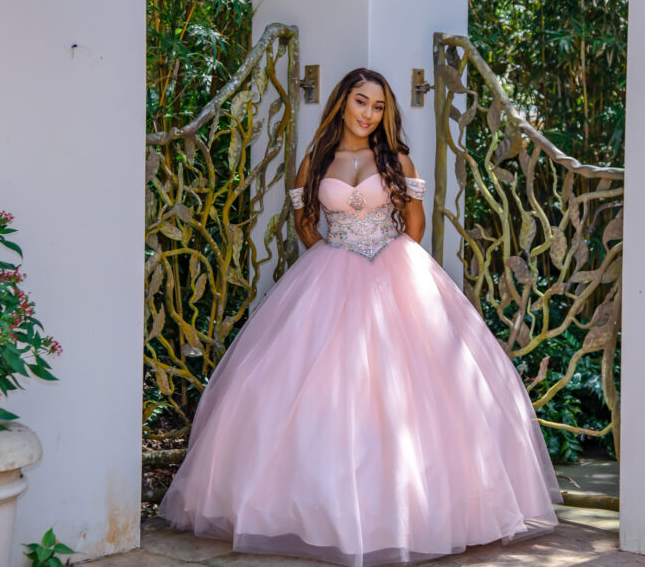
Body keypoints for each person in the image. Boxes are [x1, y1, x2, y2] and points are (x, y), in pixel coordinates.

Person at [158, 67, 562, 566]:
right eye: (361, 102)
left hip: (394, 270)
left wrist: (386, 261)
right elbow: (306, 224)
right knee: (311, 388)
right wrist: (336, 256)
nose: (369, 114)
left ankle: (414, 514)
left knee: (409, 391)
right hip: (330, 272)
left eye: (378, 106)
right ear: (342, 102)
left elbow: (414, 227)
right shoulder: (315, 161)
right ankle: (313, 513)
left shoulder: (396, 160)